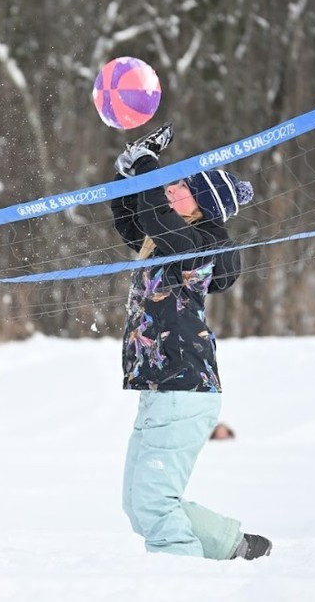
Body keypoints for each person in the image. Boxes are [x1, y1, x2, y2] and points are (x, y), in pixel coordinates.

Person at [110, 123, 270, 560]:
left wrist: (148, 163)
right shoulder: (162, 243)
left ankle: (179, 581)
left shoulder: (197, 243)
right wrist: (127, 174)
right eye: (171, 181)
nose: (171, 187)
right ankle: (233, 545)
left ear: (200, 207)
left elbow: (156, 216)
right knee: (138, 507)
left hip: (184, 390)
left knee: (154, 503)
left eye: (180, 185)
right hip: (164, 390)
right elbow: (133, 218)